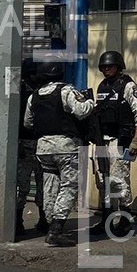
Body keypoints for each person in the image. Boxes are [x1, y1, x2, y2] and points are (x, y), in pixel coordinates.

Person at [23, 62, 95, 247]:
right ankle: (56, 230)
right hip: (65, 147)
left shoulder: (34, 96)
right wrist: (90, 102)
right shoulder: (66, 91)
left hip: (43, 148)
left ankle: (49, 222)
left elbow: (28, 123)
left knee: (49, 186)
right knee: (69, 186)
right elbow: (81, 111)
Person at [92, 50, 137, 237]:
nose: (106, 70)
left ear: (118, 66)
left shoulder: (128, 86)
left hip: (119, 141)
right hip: (102, 141)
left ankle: (125, 219)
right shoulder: (102, 86)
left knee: (119, 181)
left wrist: (136, 140)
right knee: (102, 181)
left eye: (110, 66)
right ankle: (106, 219)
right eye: (104, 67)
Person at [15, 59, 47, 236]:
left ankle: (43, 219)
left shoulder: (41, 91)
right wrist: (17, 144)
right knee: (22, 185)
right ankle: (17, 220)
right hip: (24, 143)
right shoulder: (20, 91)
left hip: (41, 143)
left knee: (43, 184)